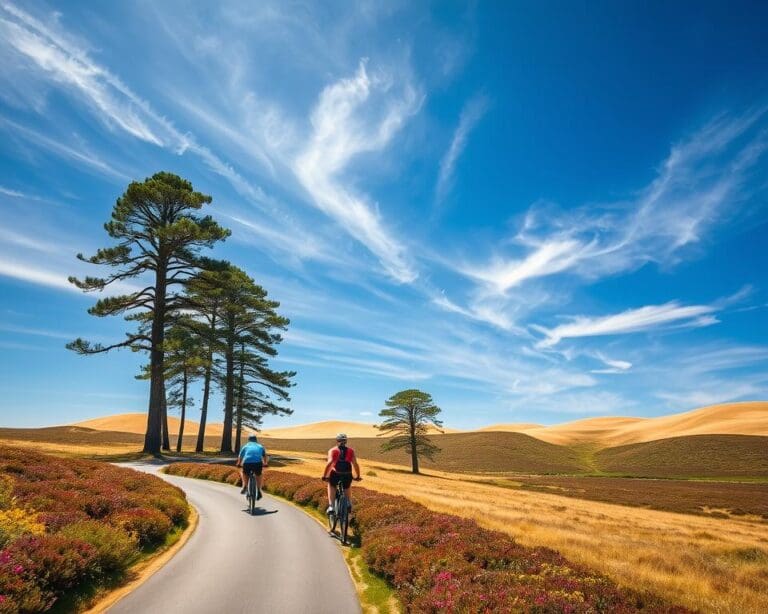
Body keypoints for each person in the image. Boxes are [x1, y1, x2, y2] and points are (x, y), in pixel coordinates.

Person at [321, 433, 361, 515]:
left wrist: (325, 476)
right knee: (347, 486)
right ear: (346, 441)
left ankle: (331, 506)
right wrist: (358, 476)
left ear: (337, 441)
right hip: (347, 474)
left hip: (336, 474)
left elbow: (330, 463)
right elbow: (355, 464)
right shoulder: (351, 451)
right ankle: (348, 503)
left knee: (331, 485)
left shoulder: (333, 450)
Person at [237, 434, 269, 500]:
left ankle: (245, 486)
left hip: (247, 462)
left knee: (244, 473)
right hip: (257, 463)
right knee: (259, 474)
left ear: (248, 440)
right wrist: (265, 463)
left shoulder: (245, 446)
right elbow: (264, 456)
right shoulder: (260, 446)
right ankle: (259, 490)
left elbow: (240, 456)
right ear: (256, 440)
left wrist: (239, 463)